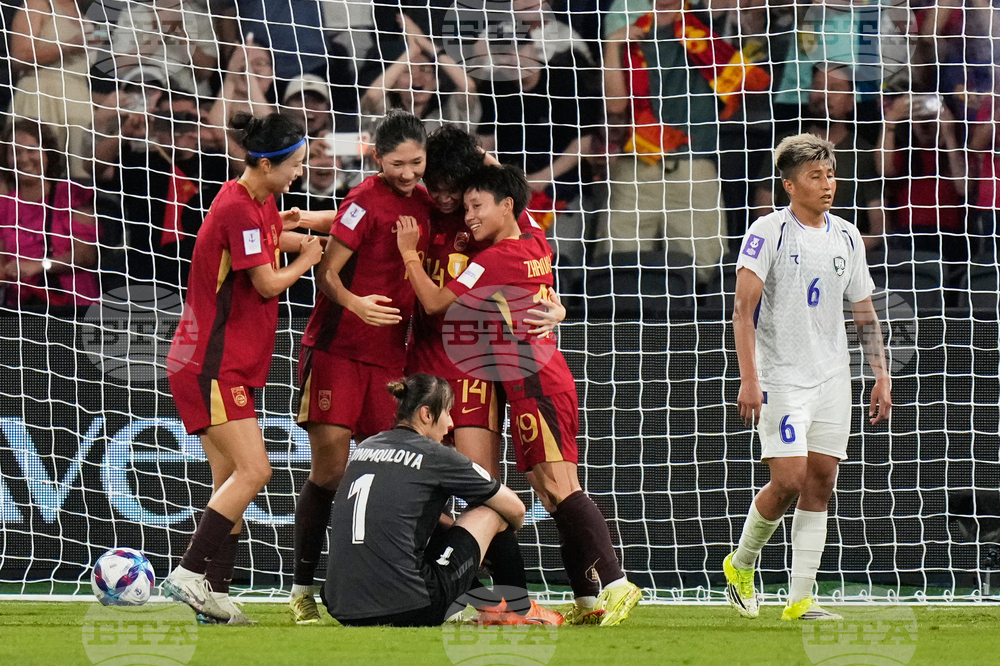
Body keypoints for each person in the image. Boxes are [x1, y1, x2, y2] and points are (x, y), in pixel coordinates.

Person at [395, 164, 642, 627]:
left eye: (476, 206)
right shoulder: (535, 240)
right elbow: (520, 218)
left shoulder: (494, 259)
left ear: (506, 206)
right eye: (465, 207)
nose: (468, 216)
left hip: (534, 381)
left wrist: (409, 254)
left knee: (558, 487)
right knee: (551, 492)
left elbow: (432, 302)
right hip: (536, 377)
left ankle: (616, 583)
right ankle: (589, 600)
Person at [161, 112, 323, 625]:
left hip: (209, 360)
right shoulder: (237, 208)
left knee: (229, 476)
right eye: (295, 164)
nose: (299, 172)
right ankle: (188, 574)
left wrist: (310, 237)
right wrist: (307, 260)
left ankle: (216, 593)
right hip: (214, 362)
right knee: (257, 471)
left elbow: (276, 238)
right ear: (266, 162)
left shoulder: (257, 200)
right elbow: (269, 284)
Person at [726, 133, 892, 621]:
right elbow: (742, 310)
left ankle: (800, 598)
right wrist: (749, 378)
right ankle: (742, 563)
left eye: (832, 174)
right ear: (789, 184)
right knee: (790, 478)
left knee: (822, 482)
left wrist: (881, 375)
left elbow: (865, 313)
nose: (828, 184)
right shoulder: (767, 232)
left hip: (833, 379)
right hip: (782, 377)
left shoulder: (846, 236)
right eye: (816, 176)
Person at [410, 125, 566, 622]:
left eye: (454, 188)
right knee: (426, 493)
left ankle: (511, 601)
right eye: (436, 185)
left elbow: (536, 255)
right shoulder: (414, 211)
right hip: (421, 365)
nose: (445, 196)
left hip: (476, 369)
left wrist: (555, 308)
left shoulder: (488, 219)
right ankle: (465, 592)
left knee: (484, 487)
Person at [288, 110, 434, 624]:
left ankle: (397, 585)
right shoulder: (362, 200)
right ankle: (303, 589)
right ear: (376, 156)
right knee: (330, 470)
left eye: (417, 162)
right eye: (398, 164)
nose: (409, 173)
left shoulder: (428, 199)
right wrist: (356, 303)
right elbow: (326, 274)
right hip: (337, 350)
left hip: (392, 358)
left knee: (397, 473)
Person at [323, 373, 562, 626]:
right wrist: (481, 542)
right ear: (426, 414)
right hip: (408, 605)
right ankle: (518, 609)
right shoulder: (435, 455)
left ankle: (491, 608)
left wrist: (457, 537)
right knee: (493, 512)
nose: (450, 424)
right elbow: (517, 510)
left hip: (342, 605)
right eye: (448, 412)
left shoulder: (365, 447)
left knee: (431, 528)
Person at [0, 119, 98, 310]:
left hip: (72, 306)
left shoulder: (70, 195)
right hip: (22, 308)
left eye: (30, 150)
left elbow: (86, 255)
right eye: (15, 152)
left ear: (47, 153)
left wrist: (39, 265)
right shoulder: (5, 204)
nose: (23, 159)